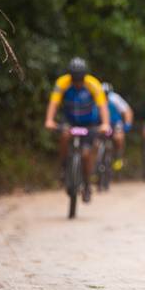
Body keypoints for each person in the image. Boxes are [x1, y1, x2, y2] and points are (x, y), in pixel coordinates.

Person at [44, 57, 110, 202]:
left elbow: (102, 106)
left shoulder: (93, 84)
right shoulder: (62, 83)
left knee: (86, 154)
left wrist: (105, 123)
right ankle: (64, 166)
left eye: (80, 80)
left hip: (89, 123)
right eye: (75, 80)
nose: (78, 83)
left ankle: (87, 184)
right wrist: (49, 120)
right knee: (64, 135)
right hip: (70, 120)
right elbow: (54, 103)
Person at [101, 82, 134, 171]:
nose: (105, 96)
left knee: (118, 137)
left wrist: (127, 124)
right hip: (101, 123)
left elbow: (127, 111)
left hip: (115, 123)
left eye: (107, 94)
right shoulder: (96, 98)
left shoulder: (115, 98)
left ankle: (118, 157)